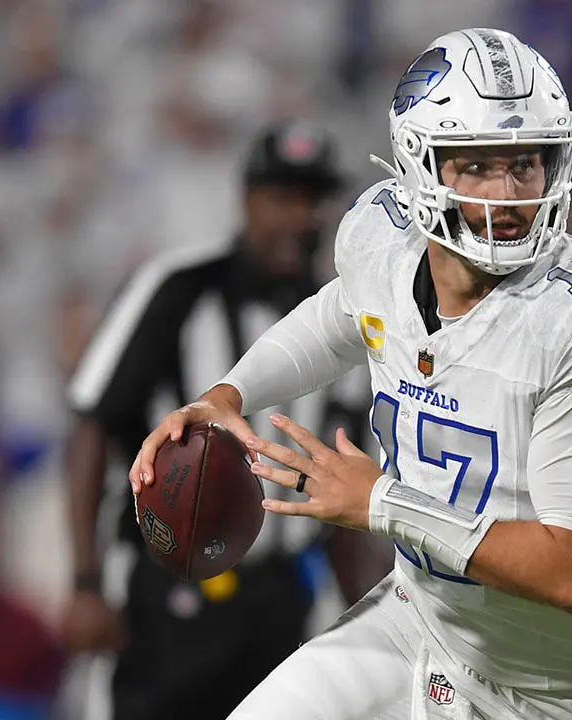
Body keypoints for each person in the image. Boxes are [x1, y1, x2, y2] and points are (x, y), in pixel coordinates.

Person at [131, 29, 572, 720]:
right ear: (421, 168)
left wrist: (381, 502)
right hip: (423, 623)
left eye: (526, 163)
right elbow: (341, 314)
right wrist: (229, 394)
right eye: (477, 166)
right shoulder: (384, 241)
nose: (509, 194)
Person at [64, 120, 385, 720]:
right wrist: (85, 581)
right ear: (246, 200)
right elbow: (92, 423)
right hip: (164, 588)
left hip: (280, 596)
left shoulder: (348, 320)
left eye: (312, 200)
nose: (300, 218)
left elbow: (343, 485)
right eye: (283, 198)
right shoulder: (178, 288)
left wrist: (364, 616)